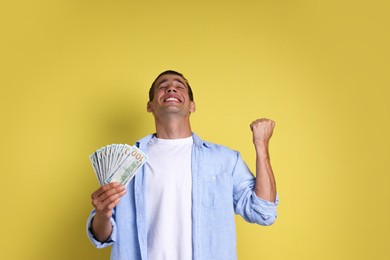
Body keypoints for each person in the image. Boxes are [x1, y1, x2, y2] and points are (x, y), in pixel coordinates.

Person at [87, 70, 279, 260]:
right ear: (150, 106)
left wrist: (261, 145)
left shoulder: (225, 160)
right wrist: (103, 214)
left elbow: (263, 212)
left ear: (192, 106)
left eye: (179, 86)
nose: (171, 88)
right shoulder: (125, 161)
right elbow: (101, 236)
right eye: (163, 87)